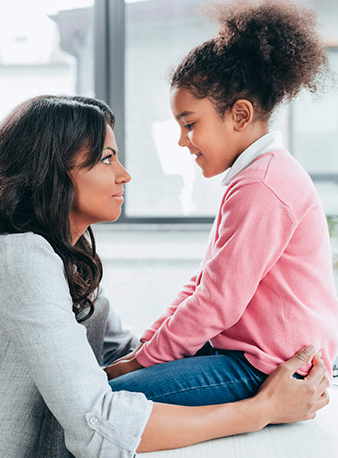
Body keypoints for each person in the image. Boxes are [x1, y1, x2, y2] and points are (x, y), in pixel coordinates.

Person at [0, 95, 330, 458]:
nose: (124, 175)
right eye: (107, 159)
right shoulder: (17, 257)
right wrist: (263, 409)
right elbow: (99, 426)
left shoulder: (64, 263)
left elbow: (127, 355)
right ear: (52, 172)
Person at [106, 0, 338, 408]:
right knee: (118, 376)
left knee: (108, 400)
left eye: (190, 124)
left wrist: (139, 363)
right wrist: (147, 345)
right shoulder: (255, 176)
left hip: (265, 366)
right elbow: (205, 282)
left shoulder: (264, 186)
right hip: (246, 354)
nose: (182, 141)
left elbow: (217, 302)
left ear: (240, 115)